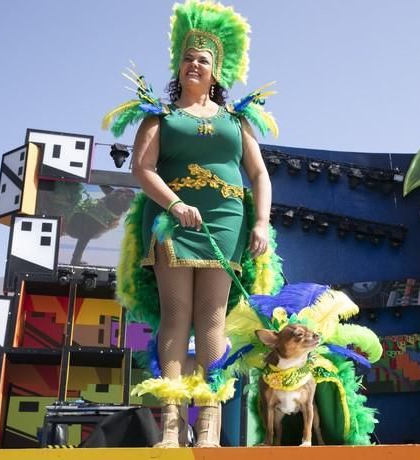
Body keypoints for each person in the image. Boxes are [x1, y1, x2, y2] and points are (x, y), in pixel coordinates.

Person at [103, 0, 283, 448]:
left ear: (216, 71)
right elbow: (142, 170)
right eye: (187, 58)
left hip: (227, 221)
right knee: (176, 315)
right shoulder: (159, 117)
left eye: (202, 59)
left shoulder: (237, 120)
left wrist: (260, 223)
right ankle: (170, 424)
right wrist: (176, 202)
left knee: (212, 320)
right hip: (172, 223)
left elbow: (259, 174)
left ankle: (209, 426)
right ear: (178, 67)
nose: (193, 64)